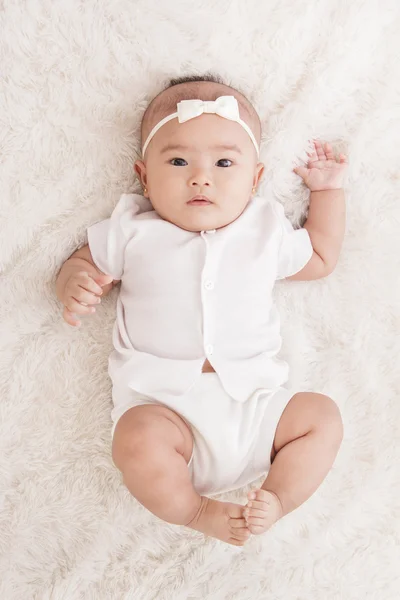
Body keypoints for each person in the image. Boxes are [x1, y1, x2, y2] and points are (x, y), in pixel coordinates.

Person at [55, 74, 346, 547]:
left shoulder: (263, 229)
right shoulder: (132, 230)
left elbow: (320, 257)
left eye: (224, 162)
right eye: (177, 160)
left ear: (254, 179)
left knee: (322, 417)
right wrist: (76, 282)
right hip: (168, 414)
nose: (201, 176)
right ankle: (197, 511)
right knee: (134, 440)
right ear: (144, 176)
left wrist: (328, 192)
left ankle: (276, 498)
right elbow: (83, 262)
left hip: (258, 411)